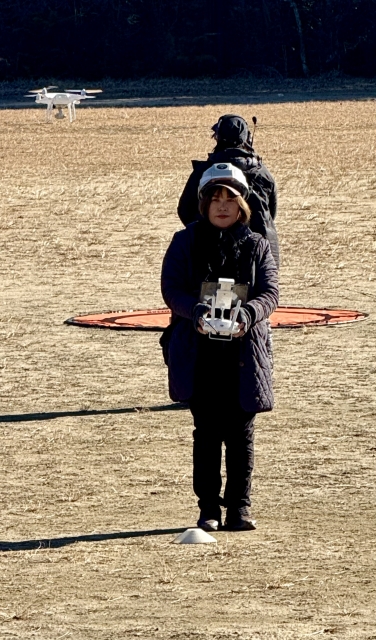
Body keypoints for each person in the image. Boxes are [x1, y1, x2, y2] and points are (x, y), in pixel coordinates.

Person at [161, 163, 279, 532]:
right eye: (215, 197)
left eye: (231, 197)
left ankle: (240, 508)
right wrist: (194, 311)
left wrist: (248, 313)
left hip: (244, 356)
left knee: (241, 432)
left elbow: (271, 293)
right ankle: (208, 508)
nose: (223, 205)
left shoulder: (258, 245)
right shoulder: (185, 241)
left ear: (243, 204)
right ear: (204, 203)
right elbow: (172, 289)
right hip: (199, 354)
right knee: (207, 432)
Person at [177, 114, 280, 268]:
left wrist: (208, 227)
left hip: (208, 250)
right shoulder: (262, 172)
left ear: (218, 138)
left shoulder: (204, 172)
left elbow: (185, 210)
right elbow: (271, 213)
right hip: (260, 250)